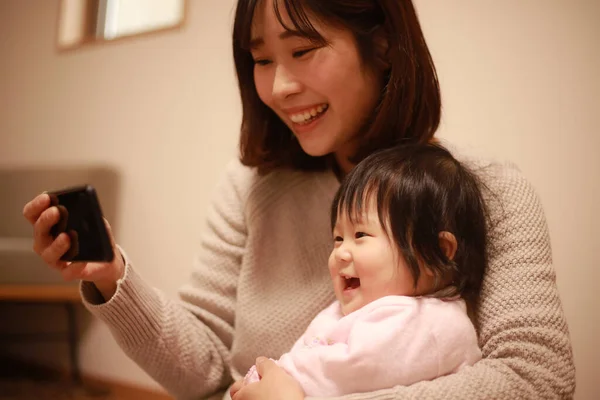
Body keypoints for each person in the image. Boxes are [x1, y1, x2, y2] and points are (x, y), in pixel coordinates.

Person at [22, 0, 575, 399]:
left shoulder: (490, 191)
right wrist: (111, 276)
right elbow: (207, 372)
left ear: (381, 44)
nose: (279, 86)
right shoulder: (250, 188)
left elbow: (535, 378)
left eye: (304, 50)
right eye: (261, 59)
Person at [237, 143, 487, 397]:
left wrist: (273, 378)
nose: (340, 253)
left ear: (438, 251)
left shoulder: (435, 325)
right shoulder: (345, 313)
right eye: (337, 238)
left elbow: (353, 369)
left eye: (360, 234)